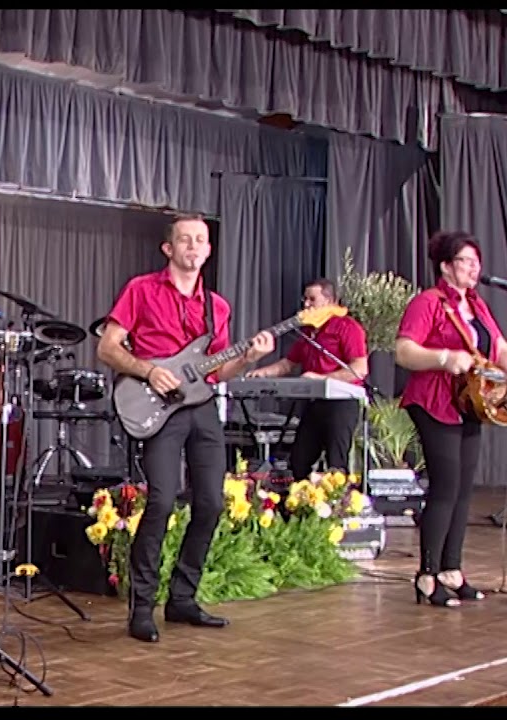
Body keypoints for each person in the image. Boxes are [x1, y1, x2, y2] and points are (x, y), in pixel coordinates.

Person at [97, 213, 274, 643]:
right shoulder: (141, 290)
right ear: (169, 248)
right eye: (185, 240)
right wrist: (148, 371)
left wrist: (248, 357)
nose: (193, 247)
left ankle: (182, 599)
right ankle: (142, 607)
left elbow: (221, 368)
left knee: (212, 503)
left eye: (201, 241)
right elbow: (107, 347)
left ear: (209, 250)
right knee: (160, 501)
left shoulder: (218, 306)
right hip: (156, 407)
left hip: (202, 407)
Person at [394, 230, 507, 608]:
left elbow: (500, 347)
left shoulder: (477, 305)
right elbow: (404, 351)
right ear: (445, 266)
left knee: (463, 487)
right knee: (445, 485)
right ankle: (426, 573)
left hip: (469, 402)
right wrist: (442, 358)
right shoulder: (428, 302)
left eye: (477, 262)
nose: (474, 268)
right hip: (433, 400)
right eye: (465, 261)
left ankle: (451, 569)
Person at [246, 278, 369, 481]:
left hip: (341, 403)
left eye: (312, 299)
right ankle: (301, 505)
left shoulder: (348, 327)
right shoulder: (309, 333)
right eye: (305, 299)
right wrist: (261, 373)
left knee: (336, 463)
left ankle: (337, 506)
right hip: (315, 403)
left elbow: (359, 369)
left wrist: (321, 378)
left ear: (330, 301)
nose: (306, 305)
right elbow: (287, 364)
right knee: (299, 460)